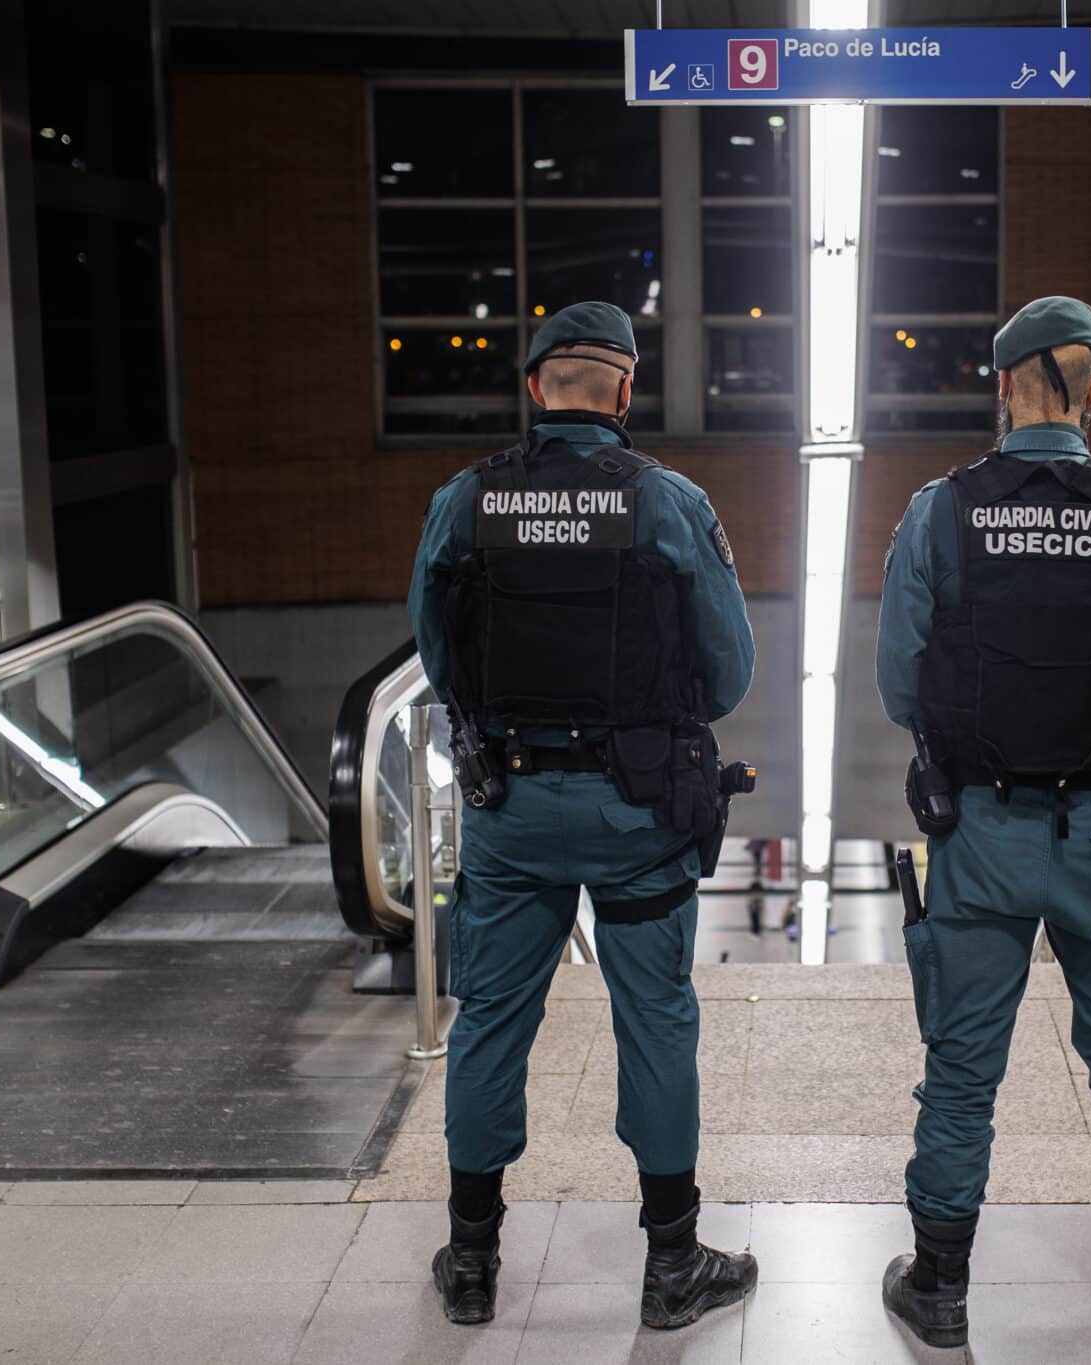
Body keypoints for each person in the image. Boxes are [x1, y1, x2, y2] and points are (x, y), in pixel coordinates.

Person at [408, 301, 759, 1330]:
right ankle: (670, 1267)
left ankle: (471, 1262)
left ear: (532, 388)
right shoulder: (666, 502)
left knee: (490, 1027)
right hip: (636, 812)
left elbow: (438, 657)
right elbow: (728, 671)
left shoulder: (463, 501)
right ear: (621, 390)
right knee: (654, 1022)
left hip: (509, 812)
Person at [875, 296, 1091, 1347]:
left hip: (981, 831)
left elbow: (897, 682)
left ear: (1000, 385)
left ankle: (939, 1284)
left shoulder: (940, 511)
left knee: (962, 1067)